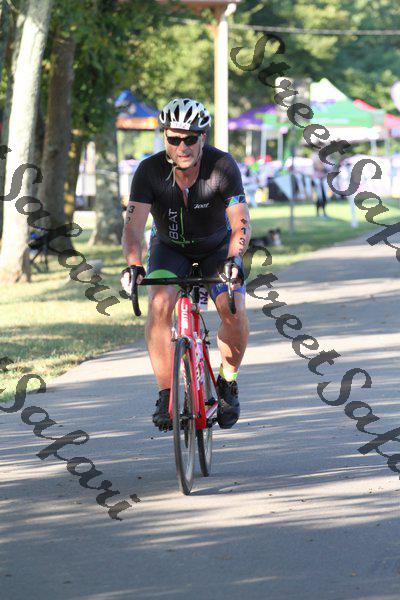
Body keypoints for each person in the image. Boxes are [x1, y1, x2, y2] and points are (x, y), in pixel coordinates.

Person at [121, 98, 251, 432]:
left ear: (202, 138)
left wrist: (234, 259)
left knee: (233, 308)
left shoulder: (222, 166)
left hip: (216, 250)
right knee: (159, 304)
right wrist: (134, 265)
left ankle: (227, 381)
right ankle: (166, 395)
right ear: (164, 137)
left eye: (190, 138)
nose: (183, 146)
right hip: (169, 249)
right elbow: (133, 230)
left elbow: (240, 224)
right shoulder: (149, 171)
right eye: (174, 138)